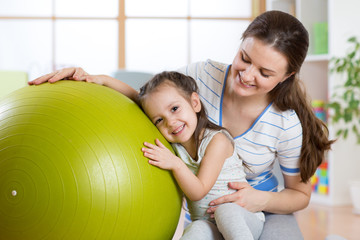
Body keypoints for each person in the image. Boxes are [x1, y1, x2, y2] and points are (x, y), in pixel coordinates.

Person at [29, 10, 334, 239]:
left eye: (265, 73)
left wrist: (258, 199)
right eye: (244, 58)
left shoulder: (286, 124)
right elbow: (150, 101)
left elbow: (300, 195)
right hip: (205, 213)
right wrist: (95, 80)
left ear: (286, 77)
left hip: (263, 209)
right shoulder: (202, 76)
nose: (247, 74)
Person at [138, 71, 264, 239]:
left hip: (243, 220)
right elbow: (136, 100)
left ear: (195, 103)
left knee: (225, 211)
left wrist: (176, 164)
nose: (170, 122)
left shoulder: (217, 141)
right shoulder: (175, 146)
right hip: (209, 225)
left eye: (174, 109)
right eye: (159, 120)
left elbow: (199, 191)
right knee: (195, 229)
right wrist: (104, 81)